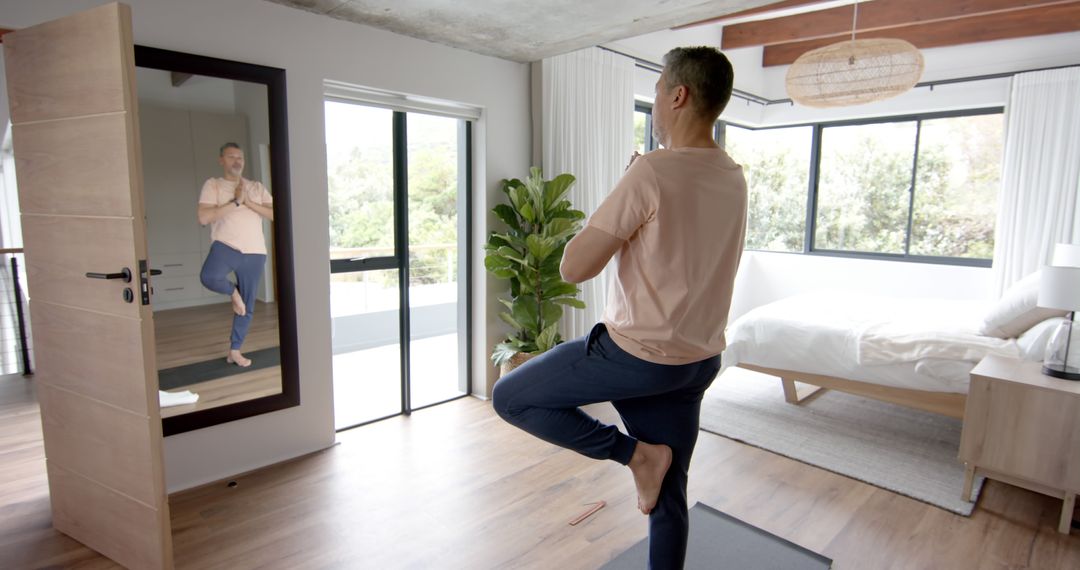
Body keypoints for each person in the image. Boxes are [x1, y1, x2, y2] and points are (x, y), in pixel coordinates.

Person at [491, 46, 747, 569]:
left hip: (637, 356)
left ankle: (636, 456)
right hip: (697, 362)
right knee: (668, 496)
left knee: (511, 396)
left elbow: (572, 268)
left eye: (656, 93)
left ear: (678, 95)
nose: (654, 105)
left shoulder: (651, 171)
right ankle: (649, 466)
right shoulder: (733, 176)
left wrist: (626, 186)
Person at [197, 142, 274, 368]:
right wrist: (236, 202)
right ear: (221, 160)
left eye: (240, 157)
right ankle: (233, 292)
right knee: (209, 277)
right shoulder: (214, 185)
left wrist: (248, 201)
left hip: (255, 252)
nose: (237, 161)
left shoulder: (257, 187)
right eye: (231, 157)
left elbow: (274, 213)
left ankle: (235, 350)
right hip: (226, 246)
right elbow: (203, 218)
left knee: (247, 307)